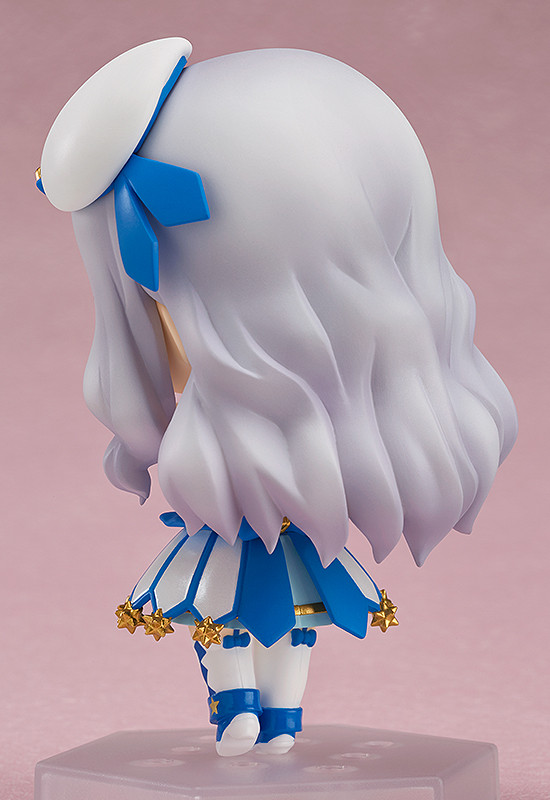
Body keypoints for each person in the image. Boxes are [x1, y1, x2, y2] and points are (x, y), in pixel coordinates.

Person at [37, 38, 517, 756]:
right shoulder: (241, 456)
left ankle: (278, 717)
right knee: (240, 624)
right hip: (241, 534)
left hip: (272, 538)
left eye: (156, 302)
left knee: (283, 627)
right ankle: (243, 709)